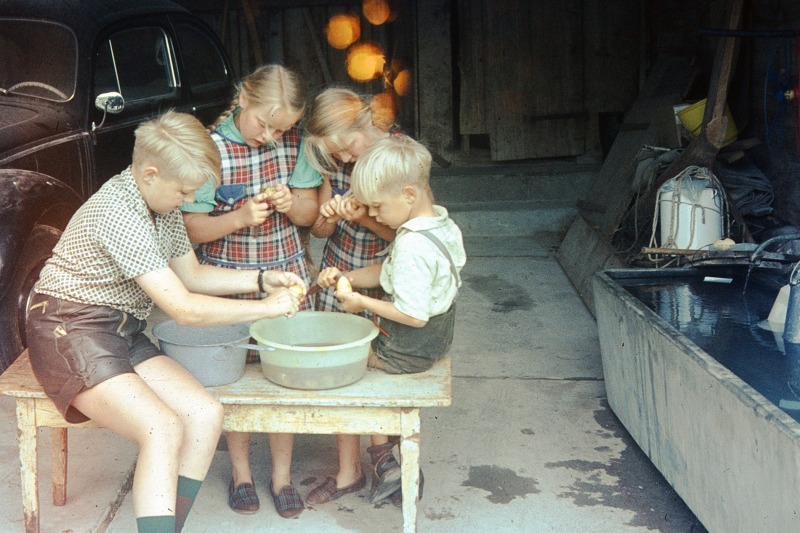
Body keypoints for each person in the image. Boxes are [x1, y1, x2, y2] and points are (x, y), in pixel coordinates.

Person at [25, 110, 306, 533]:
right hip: (68, 326)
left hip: (119, 327)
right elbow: (184, 308)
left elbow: (190, 276)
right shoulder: (119, 212)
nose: (187, 201)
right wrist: (268, 308)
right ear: (151, 173)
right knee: (160, 428)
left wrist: (262, 279)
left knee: (205, 413)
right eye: (184, 191)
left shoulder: (161, 202)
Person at [180, 64, 321, 519]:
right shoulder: (209, 149)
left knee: (282, 377)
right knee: (234, 380)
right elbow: (192, 229)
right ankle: (241, 471)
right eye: (265, 123)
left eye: (282, 129)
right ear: (242, 98)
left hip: (286, 276)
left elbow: (307, 216)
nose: (271, 137)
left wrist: (291, 202)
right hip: (227, 283)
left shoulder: (294, 144)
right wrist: (239, 218)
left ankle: (281, 476)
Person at [315, 135, 466, 505]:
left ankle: (380, 460)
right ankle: (386, 458)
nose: (374, 217)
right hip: (435, 342)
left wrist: (358, 302)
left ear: (410, 194)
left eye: (378, 208)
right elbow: (390, 271)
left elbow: (413, 316)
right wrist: (348, 275)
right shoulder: (439, 225)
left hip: (406, 351)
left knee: (339, 362)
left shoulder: (412, 244)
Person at [299, 87, 398, 505]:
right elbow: (319, 233)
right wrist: (328, 217)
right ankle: (349, 471)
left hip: (387, 277)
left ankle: (389, 461)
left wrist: (364, 219)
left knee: (384, 374)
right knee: (342, 371)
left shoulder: (399, 158)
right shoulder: (334, 163)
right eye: (333, 155)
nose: (341, 159)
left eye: (344, 148)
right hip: (338, 274)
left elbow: (404, 234)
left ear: (362, 124)